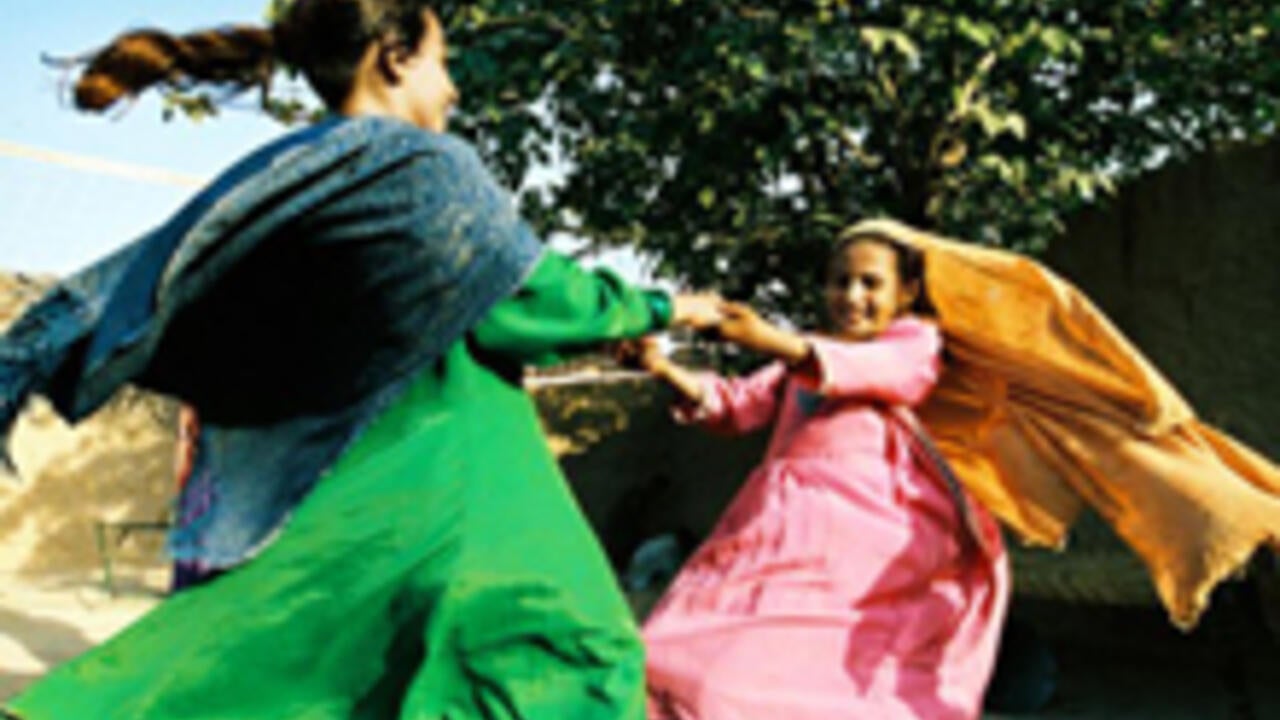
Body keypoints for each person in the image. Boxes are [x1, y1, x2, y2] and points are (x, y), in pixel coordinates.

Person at [0, 2, 720, 718]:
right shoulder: (422, 167)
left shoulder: (308, 168)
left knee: (301, 674)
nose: (455, 88)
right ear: (396, 54)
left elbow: (446, 314)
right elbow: (526, 300)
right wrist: (665, 308)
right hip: (452, 488)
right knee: (575, 653)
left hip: (357, 497)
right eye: (444, 63)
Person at [628, 234, 1009, 719]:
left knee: (836, 671)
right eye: (840, 282)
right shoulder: (800, 358)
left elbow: (879, 371)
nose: (852, 296)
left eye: (870, 283)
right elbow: (736, 405)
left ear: (907, 292)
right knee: (685, 647)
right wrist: (660, 367)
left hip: (861, 535)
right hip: (776, 530)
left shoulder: (913, 343)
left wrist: (767, 338)